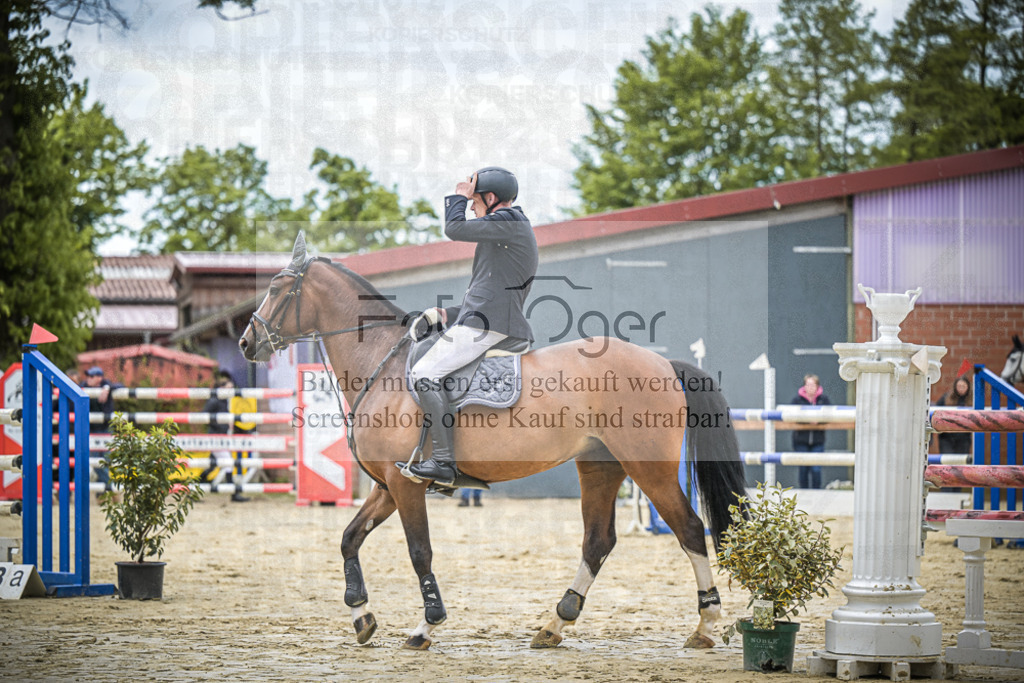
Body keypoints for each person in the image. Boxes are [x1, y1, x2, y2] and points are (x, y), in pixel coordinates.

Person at [404, 167, 539, 487]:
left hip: (491, 325)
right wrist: (444, 314)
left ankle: (442, 462)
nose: (473, 207)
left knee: (423, 373)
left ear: (491, 198)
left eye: (476, 201)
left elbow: (454, 228)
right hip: (487, 320)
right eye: (470, 202)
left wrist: (458, 197)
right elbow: (488, 293)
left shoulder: (510, 221)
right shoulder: (505, 233)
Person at [202, 372, 249, 502]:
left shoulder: (224, 401)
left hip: (221, 437)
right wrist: (219, 424)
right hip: (216, 437)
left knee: (212, 466)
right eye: (228, 388)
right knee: (228, 464)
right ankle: (234, 494)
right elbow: (205, 416)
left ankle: (192, 491)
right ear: (221, 388)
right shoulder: (214, 400)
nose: (230, 391)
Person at [791, 373, 830, 489]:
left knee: (816, 468)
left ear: (817, 386)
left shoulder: (823, 400)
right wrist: (807, 421)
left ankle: (816, 492)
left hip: (818, 440)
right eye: (807, 385)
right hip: (801, 440)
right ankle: (804, 492)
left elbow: (830, 415)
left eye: (812, 385)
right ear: (804, 386)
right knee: (803, 468)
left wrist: (819, 421)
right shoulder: (797, 400)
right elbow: (791, 416)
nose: (810, 387)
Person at [85, 366, 121, 491]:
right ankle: (111, 489)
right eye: (88, 376)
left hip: (106, 429)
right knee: (96, 463)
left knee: (105, 461)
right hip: (92, 430)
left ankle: (103, 493)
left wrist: (107, 387)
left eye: (91, 376)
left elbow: (120, 386)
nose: (88, 379)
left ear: (99, 378)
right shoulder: (84, 386)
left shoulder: (107, 385)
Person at [935, 375, 972, 455]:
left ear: (968, 387)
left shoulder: (972, 401)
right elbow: (935, 411)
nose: (961, 388)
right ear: (955, 386)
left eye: (964, 386)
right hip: (946, 437)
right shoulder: (946, 397)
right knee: (947, 463)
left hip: (964, 437)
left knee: (961, 464)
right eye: (959, 386)